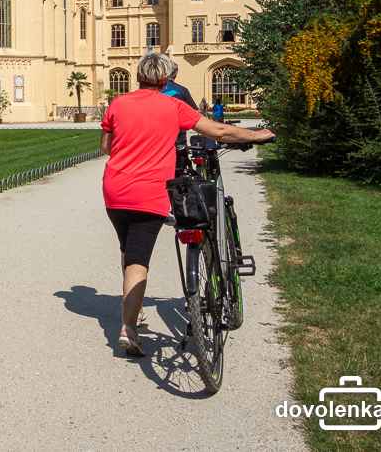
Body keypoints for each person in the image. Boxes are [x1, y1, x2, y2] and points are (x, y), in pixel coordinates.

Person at [100, 53, 274, 357]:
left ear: (138, 76)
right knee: (139, 259)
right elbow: (218, 131)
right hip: (148, 193)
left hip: (115, 190)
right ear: (166, 79)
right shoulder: (173, 105)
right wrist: (256, 135)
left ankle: (134, 312)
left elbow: (106, 147)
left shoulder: (118, 104)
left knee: (128, 251)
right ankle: (128, 328)